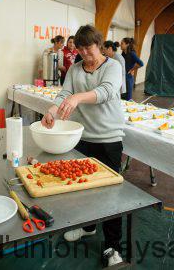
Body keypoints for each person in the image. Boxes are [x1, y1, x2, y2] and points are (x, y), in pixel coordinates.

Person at [41, 25, 125, 267]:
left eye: (89, 48)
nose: (85, 54)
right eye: (80, 49)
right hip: (81, 137)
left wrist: (78, 97)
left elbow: (107, 91)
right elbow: (64, 93)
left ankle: (112, 246)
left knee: (109, 193)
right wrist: (52, 110)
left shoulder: (113, 66)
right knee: (81, 187)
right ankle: (87, 226)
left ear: (99, 45)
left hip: (108, 138)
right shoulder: (75, 69)